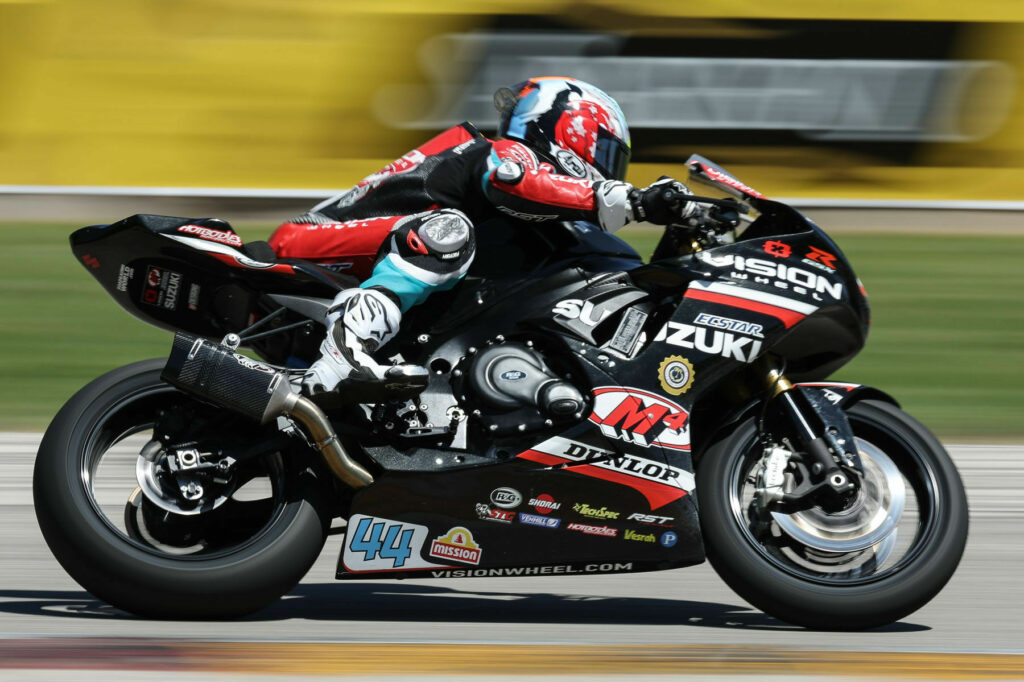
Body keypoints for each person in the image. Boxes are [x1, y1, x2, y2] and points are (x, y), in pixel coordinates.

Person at [269, 76, 696, 395]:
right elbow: (513, 181)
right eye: (605, 153)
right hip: (310, 247)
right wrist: (633, 201)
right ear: (572, 132)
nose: (607, 169)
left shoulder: (545, 210)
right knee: (451, 231)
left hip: (372, 257)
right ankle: (343, 355)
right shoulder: (509, 155)